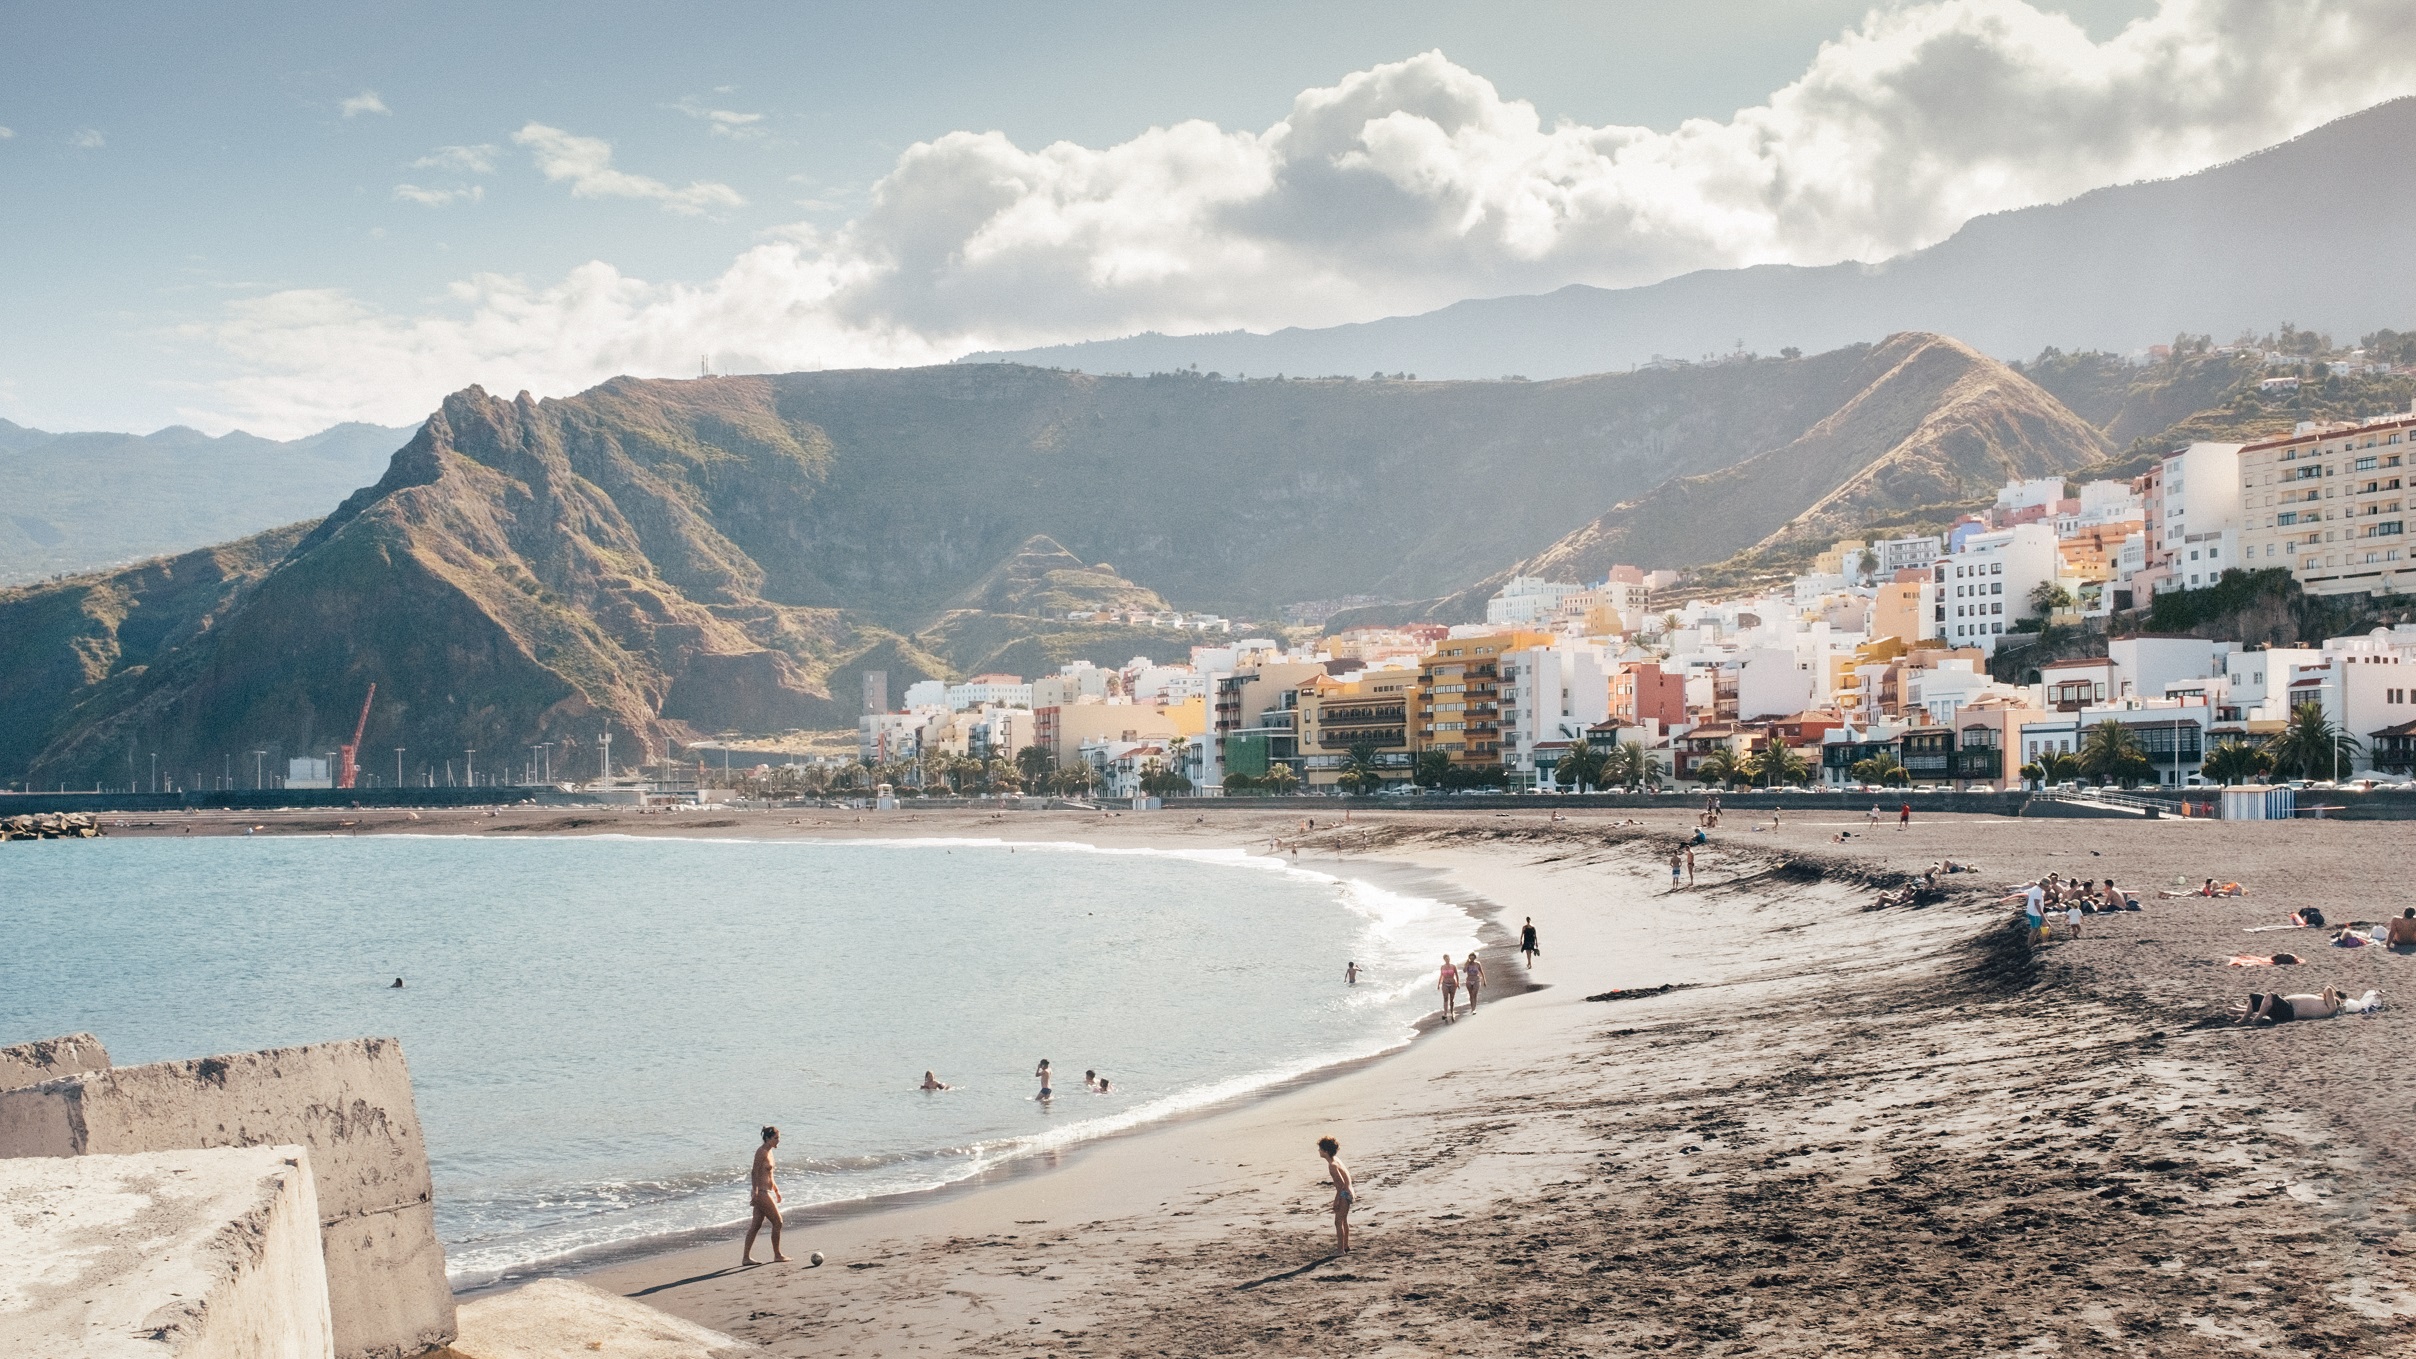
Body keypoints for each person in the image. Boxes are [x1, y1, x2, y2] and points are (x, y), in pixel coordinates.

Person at [742, 1126, 787, 1265]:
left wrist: (776, 1190)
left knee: (755, 1225)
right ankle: (777, 1255)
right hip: (760, 1192)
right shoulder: (761, 1152)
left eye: (779, 1138)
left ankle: (746, 1258)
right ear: (767, 1138)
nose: (778, 1141)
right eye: (775, 1138)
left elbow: (769, 1174)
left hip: (766, 1191)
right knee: (778, 1222)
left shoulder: (770, 1152)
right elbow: (754, 1172)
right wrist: (755, 1192)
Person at [1318, 1135, 1353, 1252]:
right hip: (1349, 1192)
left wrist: (1336, 1200)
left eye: (1320, 1149)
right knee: (1343, 1220)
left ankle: (1340, 1250)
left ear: (1325, 1151)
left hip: (1344, 1193)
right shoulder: (1337, 1160)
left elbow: (1341, 1184)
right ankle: (1345, 1246)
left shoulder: (1332, 1165)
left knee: (1338, 1221)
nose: (1319, 1151)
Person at [1437, 955, 1461, 1020]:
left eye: (1448, 958)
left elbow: (1456, 975)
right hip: (1445, 983)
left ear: (1449, 959)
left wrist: (1458, 983)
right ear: (1444, 959)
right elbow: (1441, 976)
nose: (1447, 960)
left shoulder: (1453, 966)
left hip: (1453, 983)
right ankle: (1445, 1013)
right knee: (1445, 998)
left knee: (1452, 999)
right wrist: (1438, 984)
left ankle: (1452, 1011)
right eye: (1446, 959)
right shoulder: (1442, 967)